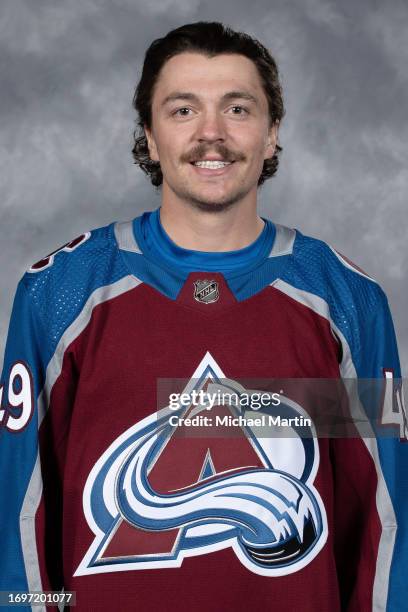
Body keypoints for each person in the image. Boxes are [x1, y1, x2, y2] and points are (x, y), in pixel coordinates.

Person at [0, 21, 406, 612]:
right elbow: (18, 513)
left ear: (271, 135)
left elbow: (384, 518)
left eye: (238, 109)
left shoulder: (350, 299)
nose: (211, 134)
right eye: (183, 109)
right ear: (149, 133)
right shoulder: (58, 292)